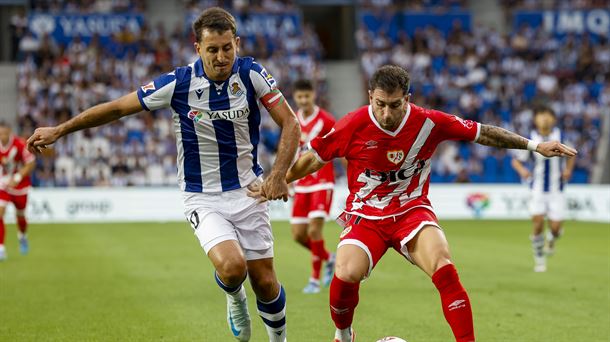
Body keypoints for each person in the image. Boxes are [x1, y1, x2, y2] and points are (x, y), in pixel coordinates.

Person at [26, 7, 299, 342]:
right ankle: (233, 296)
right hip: (202, 196)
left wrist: (278, 174)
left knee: (267, 282)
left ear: (237, 44)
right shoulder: (178, 83)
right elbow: (116, 108)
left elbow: (290, 123)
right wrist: (61, 129)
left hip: (249, 191)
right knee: (232, 268)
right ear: (197, 48)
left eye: (227, 47)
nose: (221, 56)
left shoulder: (252, 74)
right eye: (212, 49)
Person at [249, 65, 576, 342]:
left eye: (394, 105)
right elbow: (312, 160)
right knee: (346, 272)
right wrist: (277, 181)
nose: (387, 114)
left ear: (407, 99)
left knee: (444, 265)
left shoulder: (429, 122)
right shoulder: (352, 125)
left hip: (411, 213)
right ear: (370, 98)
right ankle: (344, 333)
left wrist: (534, 145)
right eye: (380, 104)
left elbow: (484, 133)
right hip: (366, 215)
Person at [511, 105, 575, 272]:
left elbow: (572, 154)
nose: (544, 118)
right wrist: (523, 170)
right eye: (540, 115)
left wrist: (568, 169)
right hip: (537, 189)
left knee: (555, 228)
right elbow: (516, 160)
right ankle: (539, 259)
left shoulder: (561, 136)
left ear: (553, 119)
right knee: (538, 223)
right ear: (535, 120)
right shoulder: (531, 139)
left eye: (547, 115)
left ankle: (552, 238)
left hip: (557, 190)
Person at [290, 79, 336, 294]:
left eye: (307, 96)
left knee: (314, 230)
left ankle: (314, 281)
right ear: (295, 98)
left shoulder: (326, 120)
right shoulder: (292, 120)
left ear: (313, 95)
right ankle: (329, 258)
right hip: (301, 183)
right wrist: (287, 179)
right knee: (299, 235)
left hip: (322, 181)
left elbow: (339, 146)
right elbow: (290, 151)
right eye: (300, 97)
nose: (304, 100)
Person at [0, 121, 36, 261]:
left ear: (9, 132)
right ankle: (1, 248)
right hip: (3, 184)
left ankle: (22, 236)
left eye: (4, 133)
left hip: (20, 185)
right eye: (0, 133)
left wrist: (17, 176)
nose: (2, 136)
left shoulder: (20, 144)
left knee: (20, 216)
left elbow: (31, 163)